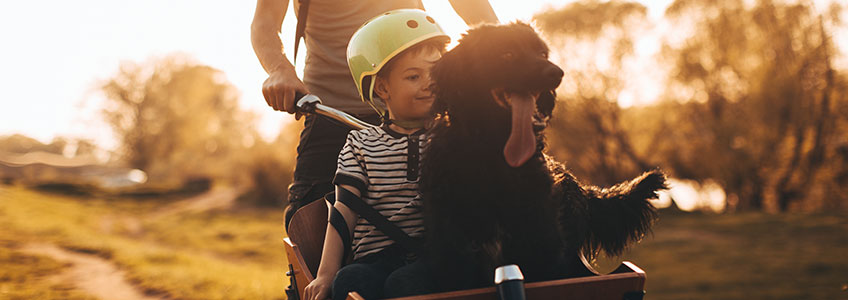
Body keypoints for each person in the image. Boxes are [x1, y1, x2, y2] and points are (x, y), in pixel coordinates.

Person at [251, 0, 498, 229]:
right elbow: (265, 21)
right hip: (331, 113)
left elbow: (473, 6)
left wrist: (503, 56)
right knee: (309, 224)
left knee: (469, 205)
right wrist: (279, 69)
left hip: (420, 112)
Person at [302, 9, 447, 300]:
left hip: (434, 254)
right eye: (413, 76)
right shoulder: (360, 143)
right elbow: (343, 212)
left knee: (406, 285)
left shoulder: (451, 136)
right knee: (350, 281)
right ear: (382, 87)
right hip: (375, 257)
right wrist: (326, 273)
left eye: (436, 74)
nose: (428, 83)